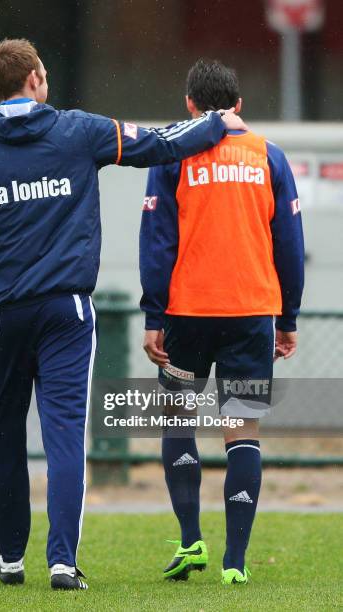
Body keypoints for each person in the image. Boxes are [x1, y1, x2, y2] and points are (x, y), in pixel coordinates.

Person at [0, 40, 245, 591]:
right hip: (66, 310)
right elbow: (159, 145)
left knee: (4, 432)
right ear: (35, 77)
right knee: (65, 435)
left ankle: (9, 560)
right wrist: (217, 123)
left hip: (1, 311)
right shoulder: (76, 131)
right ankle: (62, 563)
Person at [140, 58, 304, 585]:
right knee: (243, 430)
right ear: (239, 106)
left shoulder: (173, 156)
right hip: (252, 312)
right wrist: (288, 316)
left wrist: (153, 313)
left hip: (188, 312)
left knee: (177, 420)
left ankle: (191, 543)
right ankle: (235, 561)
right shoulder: (269, 157)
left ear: (190, 105)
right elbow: (290, 248)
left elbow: (158, 243)